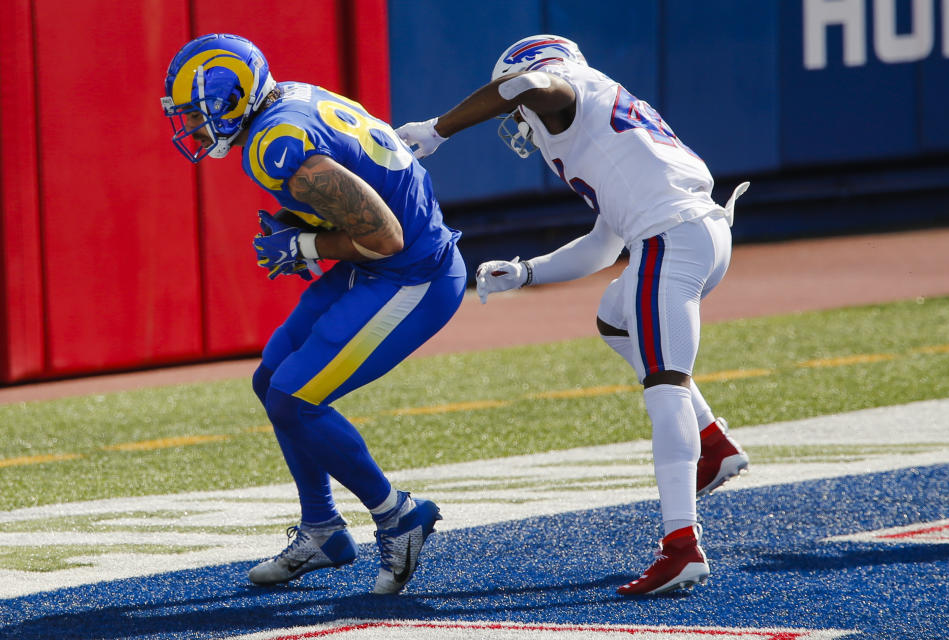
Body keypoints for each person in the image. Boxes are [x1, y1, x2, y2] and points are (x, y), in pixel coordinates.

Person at [397, 35, 750, 596]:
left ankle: (682, 547)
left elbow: (529, 85)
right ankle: (711, 441)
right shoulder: (604, 121)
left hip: (673, 239)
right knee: (616, 317)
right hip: (697, 235)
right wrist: (528, 272)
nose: (517, 118)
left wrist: (437, 129)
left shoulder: (563, 88)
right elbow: (603, 247)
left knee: (665, 389)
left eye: (514, 109)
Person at [161, 33, 464, 595]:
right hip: (380, 266)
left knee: (294, 398)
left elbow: (387, 237)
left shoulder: (274, 146)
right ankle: (322, 529)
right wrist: (313, 233)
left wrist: (306, 247)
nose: (194, 129)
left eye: (199, 115)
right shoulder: (285, 101)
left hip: (414, 275)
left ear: (233, 102)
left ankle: (399, 516)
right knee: (271, 379)